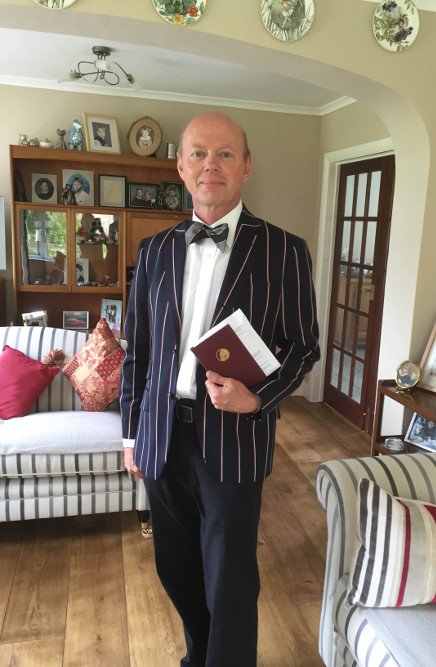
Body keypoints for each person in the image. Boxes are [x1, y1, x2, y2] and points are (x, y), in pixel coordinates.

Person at [120, 111, 320, 667]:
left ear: (247, 166)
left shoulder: (284, 250)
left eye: (226, 154)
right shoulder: (154, 251)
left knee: (230, 580)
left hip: (235, 437)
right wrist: (131, 434)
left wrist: (258, 398)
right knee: (176, 567)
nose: (212, 164)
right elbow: (137, 349)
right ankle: (200, 655)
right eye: (200, 154)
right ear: (181, 166)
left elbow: (303, 346)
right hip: (162, 436)